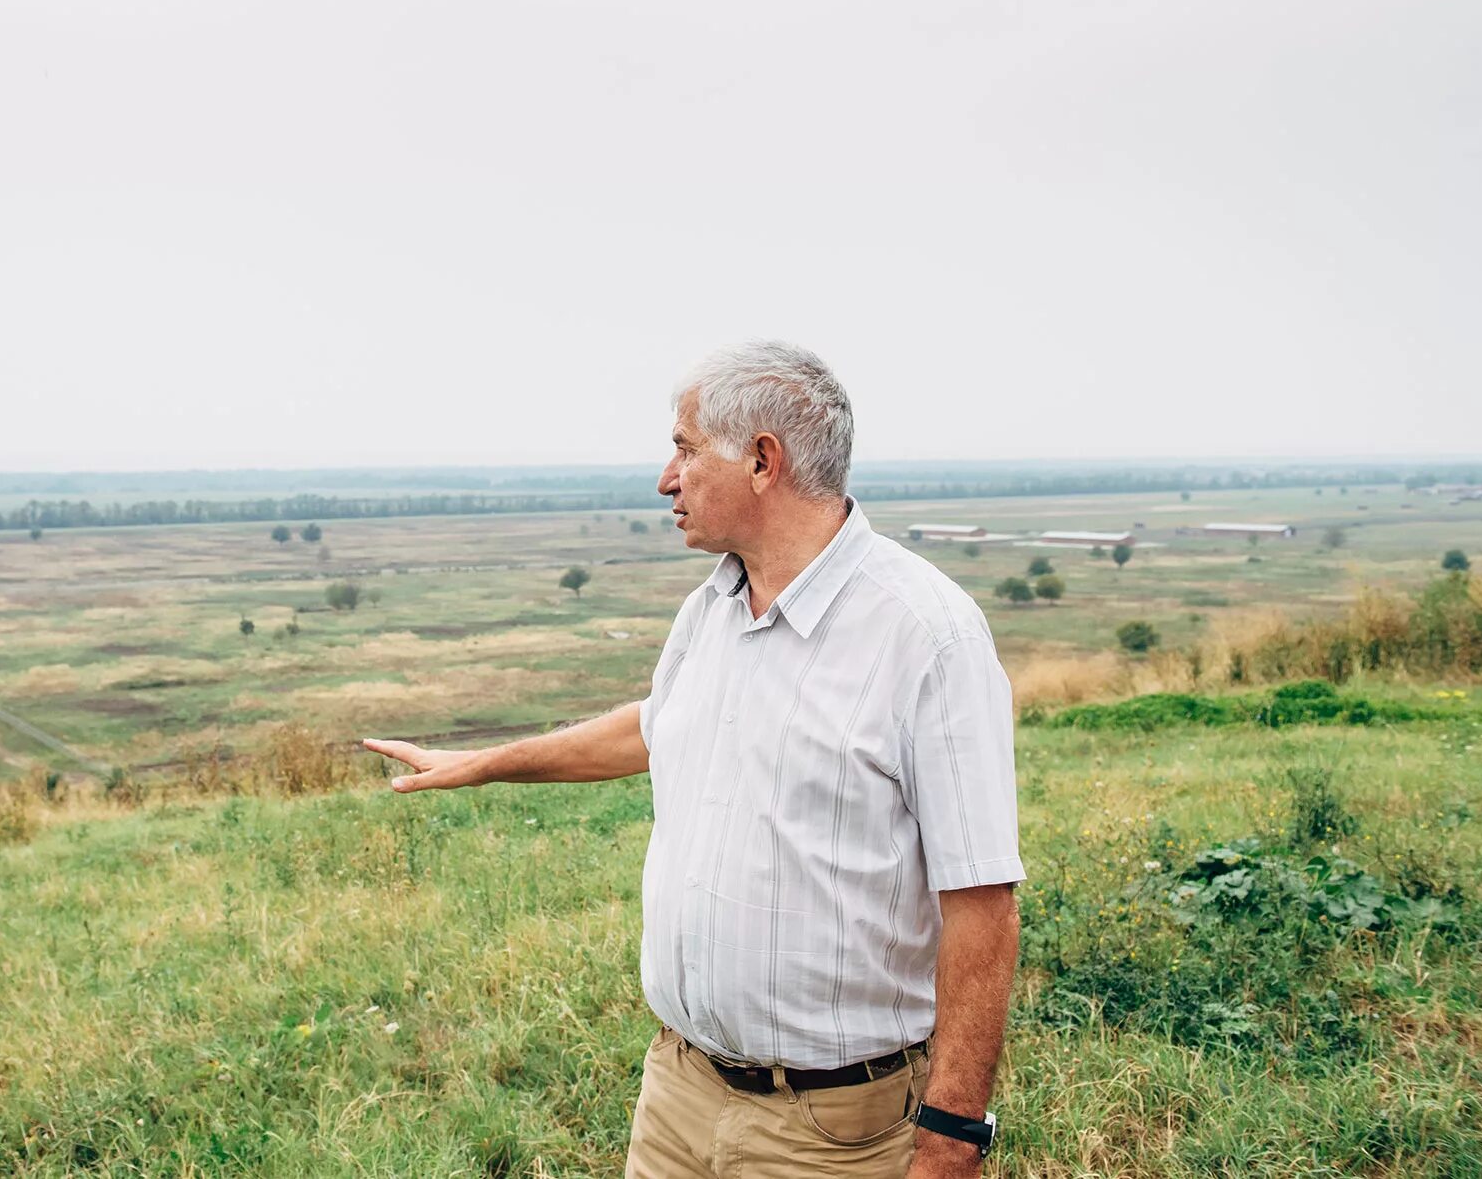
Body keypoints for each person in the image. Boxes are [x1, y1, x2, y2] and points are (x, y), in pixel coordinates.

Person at [364, 340, 1023, 1178]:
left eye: (683, 447)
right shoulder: (711, 608)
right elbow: (657, 724)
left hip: (830, 1132)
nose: (664, 478)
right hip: (678, 1091)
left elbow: (982, 903)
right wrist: (487, 762)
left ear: (761, 460)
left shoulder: (927, 636)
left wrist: (951, 1141)